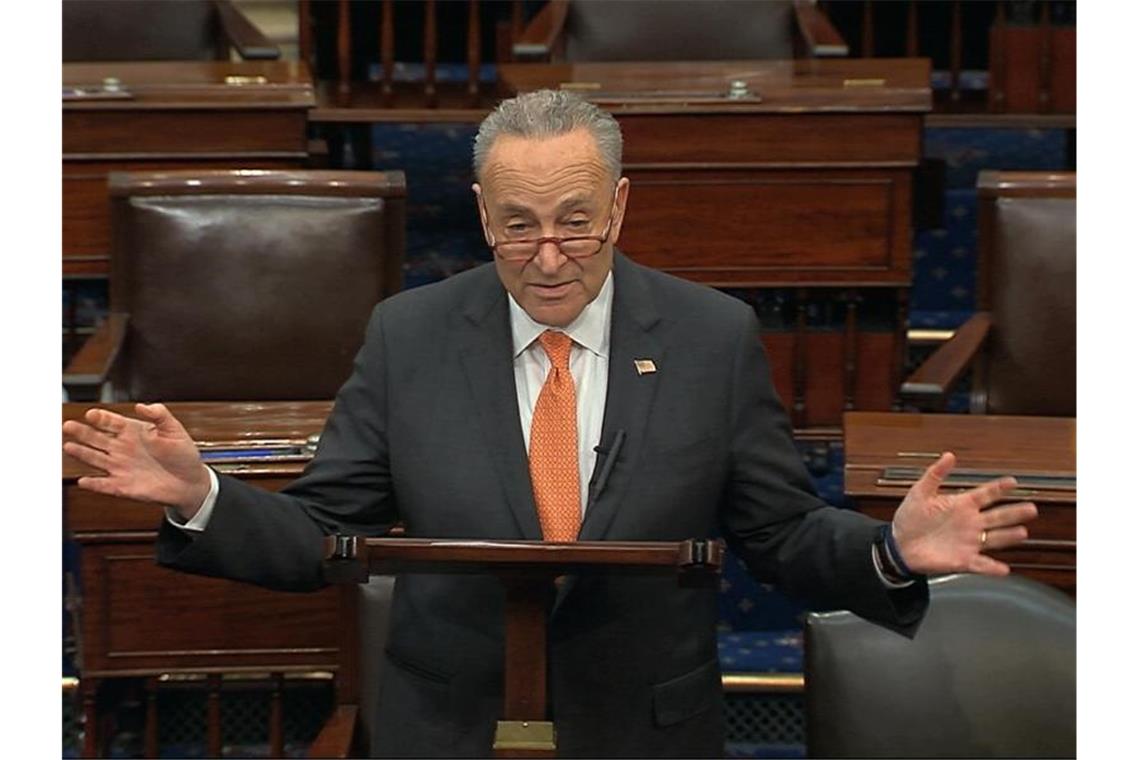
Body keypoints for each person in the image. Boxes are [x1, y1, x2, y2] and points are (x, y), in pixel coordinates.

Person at [62, 89, 1037, 758]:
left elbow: (780, 536)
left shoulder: (710, 335)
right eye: (519, 223)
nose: (549, 253)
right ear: (483, 214)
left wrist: (894, 551)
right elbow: (324, 529)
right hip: (447, 729)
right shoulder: (411, 334)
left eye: (576, 219)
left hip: (646, 729)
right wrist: (204, 498)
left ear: (620, 204)